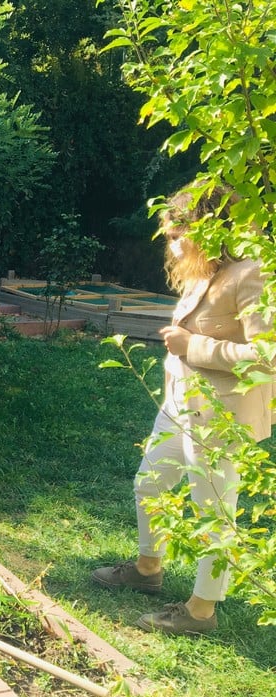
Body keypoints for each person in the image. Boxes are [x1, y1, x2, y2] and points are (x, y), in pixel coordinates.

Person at [91, 181, 271, 635]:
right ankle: (148, 570)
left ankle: (200, 611)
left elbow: (268, 355)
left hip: (222, 416)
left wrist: (196, 346)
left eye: (178, 234)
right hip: (178, 404)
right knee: (150, 483)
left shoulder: (252, 272)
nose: (172, 245)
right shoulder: (204, 269)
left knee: (214, 511)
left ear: (210, 229)